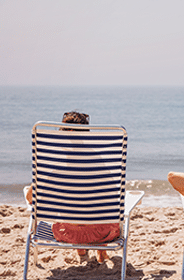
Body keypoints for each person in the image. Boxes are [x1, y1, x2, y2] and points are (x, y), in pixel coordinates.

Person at [26, 111, 118, 263]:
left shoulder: (55, 166)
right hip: (101, 233)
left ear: (63, 133)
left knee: (73, 214)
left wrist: (38, 180)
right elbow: (114, 197)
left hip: (67, 233)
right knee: (95, 206)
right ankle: (101, 251)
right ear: (85, 133)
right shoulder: (99, 162)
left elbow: (31, 199)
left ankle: (81, 252)